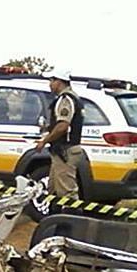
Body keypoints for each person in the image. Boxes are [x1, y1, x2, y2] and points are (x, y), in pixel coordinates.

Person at [33, 70, 88, 206]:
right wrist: (49, 128)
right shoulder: (71, 98)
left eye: (52, 80)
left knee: (67, 193)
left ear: (59, 81)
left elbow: (63, 126)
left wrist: (44, 141)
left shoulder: (66, 100)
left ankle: (72, 218)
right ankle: (55, 217)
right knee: (53, 189)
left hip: (65, 151)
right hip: (62, 151)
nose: (50, 84)